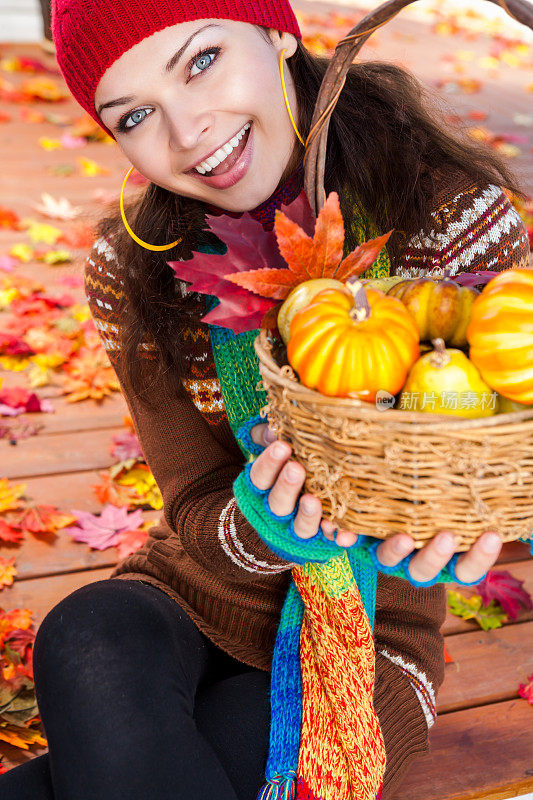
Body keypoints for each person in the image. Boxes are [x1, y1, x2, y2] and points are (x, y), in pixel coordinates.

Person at [1, 0, 530, 798]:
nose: (189, 135)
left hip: (369, 630)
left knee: (227, 743)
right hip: (205, 581)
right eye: (137, 113)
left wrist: (479, 526)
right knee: (88, 634)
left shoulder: (445, 215)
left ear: (277, 30)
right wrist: (261, 522)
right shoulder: (133, 263)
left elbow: (504, 441)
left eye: (202, 60)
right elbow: (192, 498)